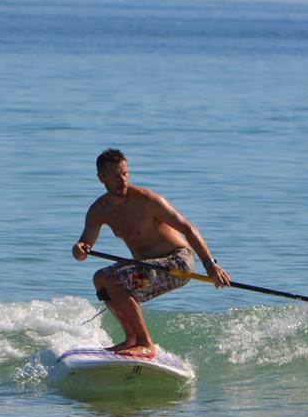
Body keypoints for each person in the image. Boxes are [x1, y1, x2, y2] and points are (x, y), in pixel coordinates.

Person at [72, 148, 230, 358]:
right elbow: (84, 247)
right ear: (101, 178)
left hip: (178, 262)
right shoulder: (99, 210)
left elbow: (189, 229)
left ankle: (146, 343)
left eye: (125, 174)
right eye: (116, 176)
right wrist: (79, 250)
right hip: (146, 265)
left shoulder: (147, 200)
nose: (123, 180)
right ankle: (131, 338)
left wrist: (210, 265)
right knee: (100, 279)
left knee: (118, 281)